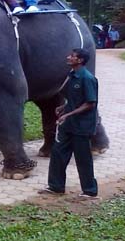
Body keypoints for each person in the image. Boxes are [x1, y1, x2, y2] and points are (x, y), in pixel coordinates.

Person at [39, 48, 99, 199]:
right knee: (58, 154)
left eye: (72, 56)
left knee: (83, 158)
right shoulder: (71, 76)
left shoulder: (87, 78)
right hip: (68, 125)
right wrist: (63, 108)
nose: (68, 57)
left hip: (82, 126)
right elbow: (73, 100)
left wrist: (69, 114)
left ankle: (90, 190)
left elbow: (90, 103)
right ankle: (56, 186)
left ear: (80, 60)